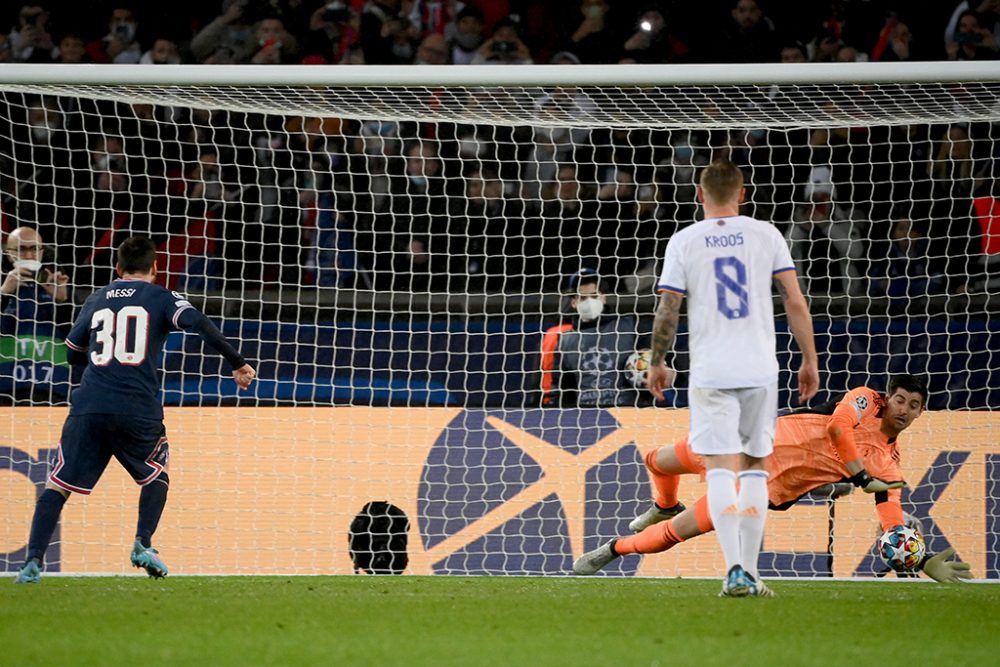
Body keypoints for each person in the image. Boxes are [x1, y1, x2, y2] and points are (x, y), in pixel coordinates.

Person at [14, 236, 256, 583]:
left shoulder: (97, 298)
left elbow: (71, 352)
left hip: (89, 406)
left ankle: (32, 562)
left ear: (118, 268)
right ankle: (143, 543)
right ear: (155, 269)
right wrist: (237, 363)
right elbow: (199, 323)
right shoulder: (162, 297)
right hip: (137, 406)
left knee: (58, 485)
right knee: (157, 472)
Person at [573, 375, 973, 584]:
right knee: (656, 460)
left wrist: (919, 558)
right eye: (901, 399)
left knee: (671, 537)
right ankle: (663, 504)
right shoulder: (866, 399)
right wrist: (859, 476)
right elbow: (837, 428)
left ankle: (613, 549)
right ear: (890, 397)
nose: (904, 409)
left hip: (757, 487)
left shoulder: (890, 466)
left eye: (915, 406)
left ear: (921, 414)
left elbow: (891, 519)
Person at [643, 159, 819, 597]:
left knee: (721, 469)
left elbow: (668, 308)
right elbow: (795, 302)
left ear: (700, 194)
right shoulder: (767, 235)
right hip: (759, 367)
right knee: (756, 469)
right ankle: (752, 574)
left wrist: (657, 361)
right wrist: (809, 359)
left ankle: (735, 570)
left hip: (711, 369)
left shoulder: (684, 240)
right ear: (743, 194)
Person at [539, 269, 643, 408]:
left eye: (594, 296)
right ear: (574, 302)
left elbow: (665, 367)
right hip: (587, 420)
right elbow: (559, 391)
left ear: (603, 297)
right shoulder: (565, 341)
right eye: (583, 297)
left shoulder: (630, 327)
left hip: (630, 415)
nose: (589, 302)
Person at [0, 226, 74, 404]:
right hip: (5, 391)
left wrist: (63, 302)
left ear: (42, 252)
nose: (28, 255)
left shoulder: (58, 287)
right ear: (9, 254)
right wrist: (3, 294)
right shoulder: (4, 288)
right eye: (21, 249)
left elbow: (79, 338)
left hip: (53, 391)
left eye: (34, 248)